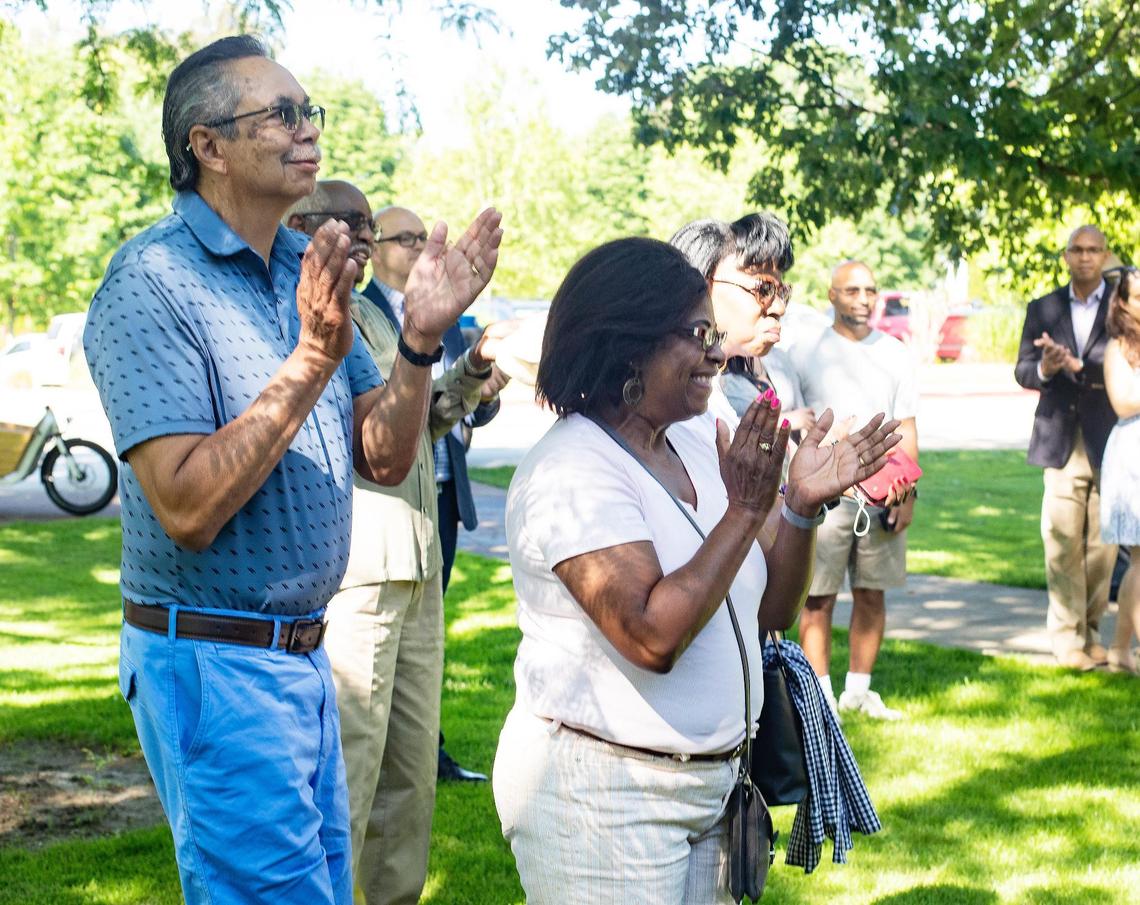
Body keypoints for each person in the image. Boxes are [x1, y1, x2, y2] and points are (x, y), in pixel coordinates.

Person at [82, 36, 502, 904]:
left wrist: (419, 339)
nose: (308, 130)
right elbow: (187, 507)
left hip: (305, 654)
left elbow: (382, 455)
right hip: (212, 664)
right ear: (208, 146)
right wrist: (312, 357)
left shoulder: (297, 273)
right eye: (282, 113)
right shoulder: (151, 280)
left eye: (311, 112)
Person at [492, 237, 901, 903]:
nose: (716, 351)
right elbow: (652, 635)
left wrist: (796, 509)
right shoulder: (572, 468)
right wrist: (745, 508)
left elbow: (770, 612)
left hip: (713, 790)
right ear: (627, 344)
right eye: (694, 333)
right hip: (607, 798)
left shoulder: (695, 434)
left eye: (713, 330)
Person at [285, 182, 506, 903]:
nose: (359, 235)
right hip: (356, 573)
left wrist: (470, 376)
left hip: (416, 565)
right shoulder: (314, 318)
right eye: (347, 224)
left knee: (410, 776)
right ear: (300, 229)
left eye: (365, 225)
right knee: (352, 769)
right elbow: (359, 444)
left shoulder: (388, 321)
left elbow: (410, 436)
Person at [364, 204, 507, 783]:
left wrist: (483, 381)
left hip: (440, 499)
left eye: (424, 238)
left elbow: (453, 406)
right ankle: (381, 764)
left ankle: (429, 755)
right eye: (405, 238)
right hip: (381, 508)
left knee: (423, 647)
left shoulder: (446, 320)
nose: (419, 247)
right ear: (375, 249)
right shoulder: (357, 312)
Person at [790, 260, 920, 720]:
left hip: (883, 492)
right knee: (817, 597)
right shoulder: (805, 350)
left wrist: (908, 492)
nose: (863, 300)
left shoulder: (895, 352)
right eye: (851, 291)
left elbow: (905, 425)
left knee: (871, 592)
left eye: (870, 291)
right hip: (827, 494)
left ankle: (858, 692)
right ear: (831, 296)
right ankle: (821, 696)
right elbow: (793, 420)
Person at [1015, 225, 1119, 670]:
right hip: (1060, 440)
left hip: (1110, 439)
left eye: (1093, 250)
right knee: (1061, 542)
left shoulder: (1124, 304)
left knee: (1101, 546)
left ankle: (1093, 631)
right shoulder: (1044, 307)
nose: (1085, 257)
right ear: (1065, 256)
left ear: (1105, 255)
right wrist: (1045, 366)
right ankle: (1066, 638)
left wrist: (1080, 366)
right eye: (1076, 249)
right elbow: (1022, 370)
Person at [670, 215, 814, 433]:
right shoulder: (670, 407)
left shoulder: (716, 398)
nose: (779, 308)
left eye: (782, 292)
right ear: (704, 285)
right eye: (764, 288)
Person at [1100, 267, 1140, 675]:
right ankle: (1123, 649)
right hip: (1133, 456)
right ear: (1124, 303)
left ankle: (1119, 650)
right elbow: (1124, 402)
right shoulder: (1118, 346)